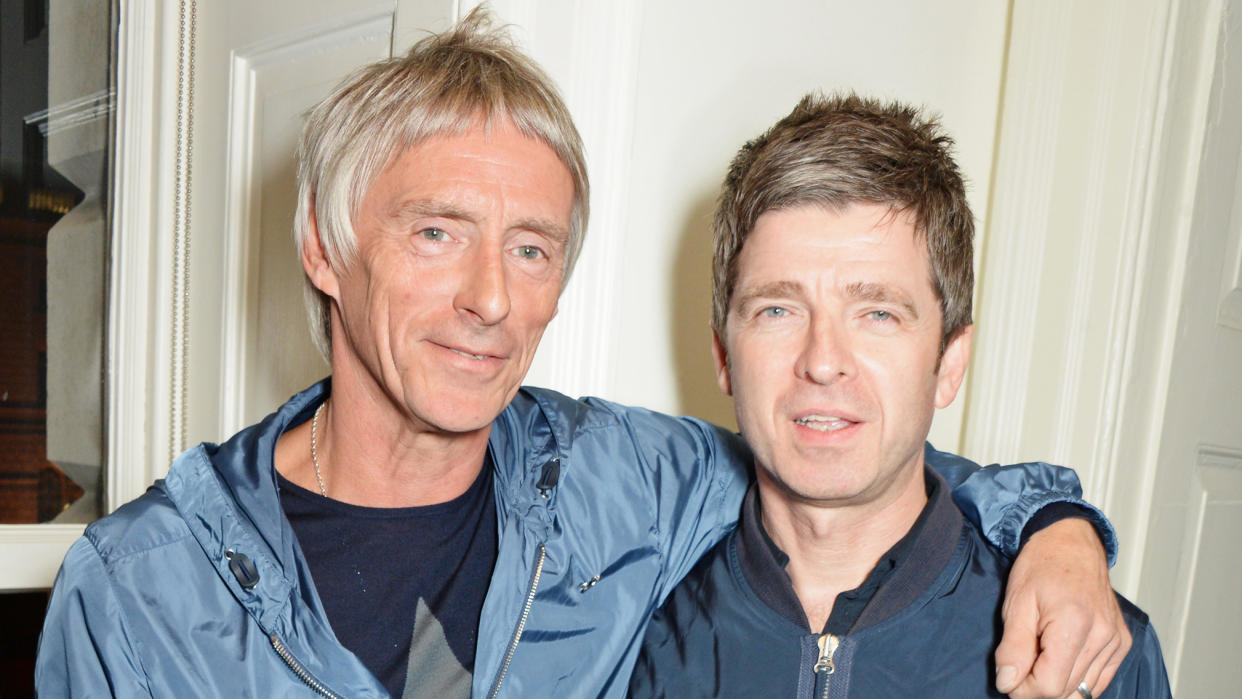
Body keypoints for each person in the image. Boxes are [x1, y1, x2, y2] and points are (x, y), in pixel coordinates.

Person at [37, 11, 1125, 699]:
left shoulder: (625, 486)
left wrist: (1058, 530)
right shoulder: (140, 589)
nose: (491, 299)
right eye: (435, 233)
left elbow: (858, 456)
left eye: (532, 248)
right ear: (326, 247)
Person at [629, 93, 1170, 699]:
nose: (823, 361)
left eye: (878, 313)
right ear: (725, 356)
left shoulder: (1083, 653)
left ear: (949, 363)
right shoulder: (630, 629)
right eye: (778, 309)